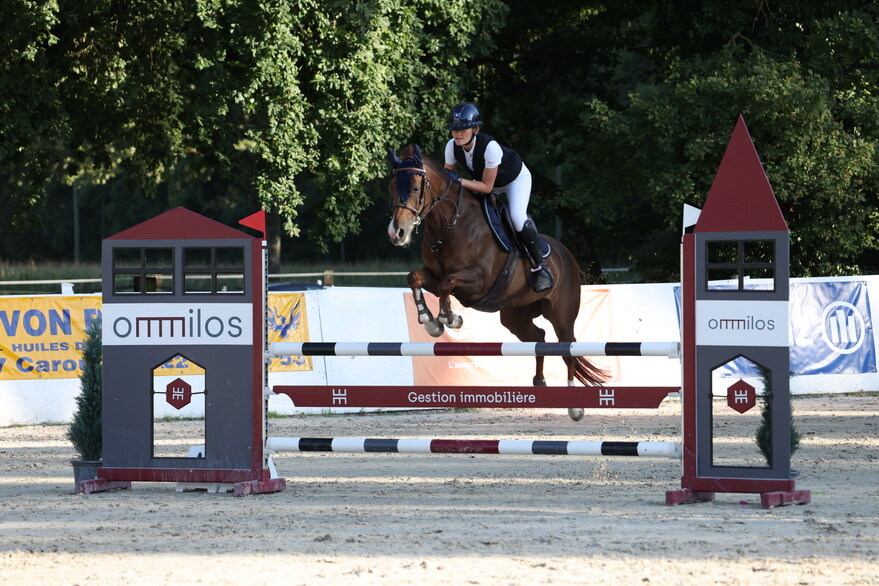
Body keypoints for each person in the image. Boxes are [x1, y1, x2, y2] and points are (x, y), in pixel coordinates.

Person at [443, 102, 553, 292]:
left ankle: (541, 266)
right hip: (484, 181)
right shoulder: (451, 146)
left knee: (517, 217)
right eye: (454, 129)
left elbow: (486, 187)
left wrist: (459, 181)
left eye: (463, 129)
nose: (457, 133)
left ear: (476, 129)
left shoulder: (490, 147)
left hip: (514, 179)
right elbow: (448, 178)